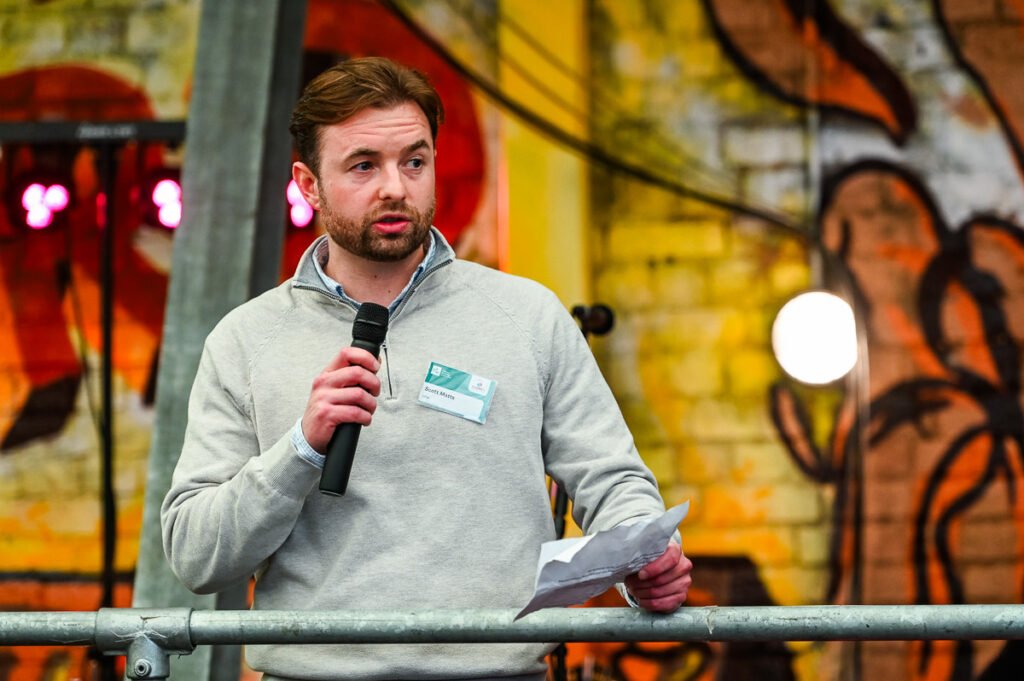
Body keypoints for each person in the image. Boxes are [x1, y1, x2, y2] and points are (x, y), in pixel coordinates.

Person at [161, 56, 692, 681]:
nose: (395, 186)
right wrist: (300, 448)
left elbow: (613, 482)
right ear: (308, 185)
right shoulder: (246, 339)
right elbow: (195, 555)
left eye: (414, 161)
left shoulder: (525, 316)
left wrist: (645, 563)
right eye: (364, 165)